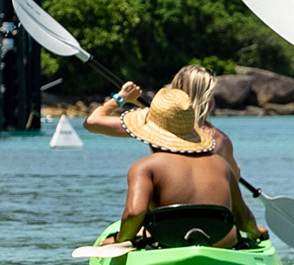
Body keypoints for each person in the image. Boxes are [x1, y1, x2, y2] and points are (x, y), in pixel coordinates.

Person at [87, 67, 263, 249]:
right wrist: (255, 231)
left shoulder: (145, 166)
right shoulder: (221, 155)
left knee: (138, 230)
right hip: (219, 233)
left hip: (168, 233)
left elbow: (134, 213)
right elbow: (240, 212)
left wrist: (121, 240)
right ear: (209, 100)